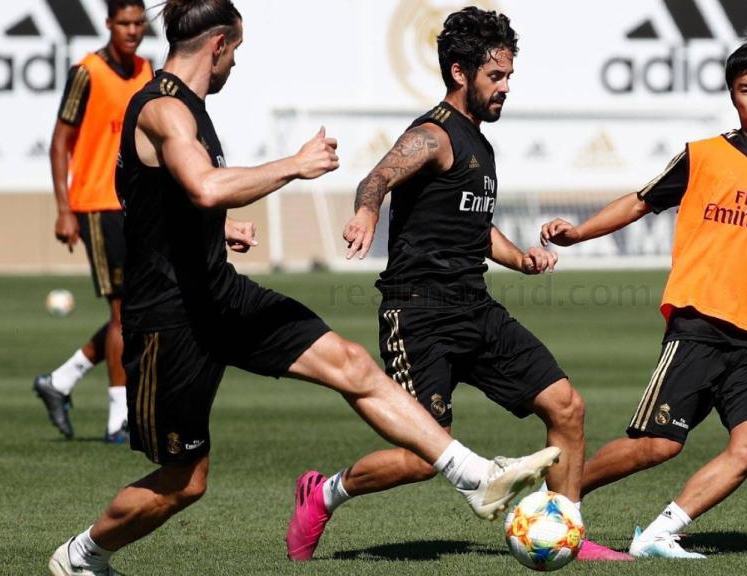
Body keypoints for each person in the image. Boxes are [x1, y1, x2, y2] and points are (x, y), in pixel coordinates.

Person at [47, 2, 559, 574]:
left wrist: (218, 229)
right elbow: (205, 185)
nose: (234, 65)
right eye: (235, 52)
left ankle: (475, 477)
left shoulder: (188, 107)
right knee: (183, 484)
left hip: (220, 295)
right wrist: (294, 164)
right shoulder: (165, 108)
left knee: (351, 364)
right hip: (170, 322)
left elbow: (169, 199)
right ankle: (81, 556)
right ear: (218, 45)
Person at [304, 6, 625, 564]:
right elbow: (376, 177)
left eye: (508, 77)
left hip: (475, 308)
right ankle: (324, 493)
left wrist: (519, 258)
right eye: (495, 77)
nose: (504, 89)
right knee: (422, 458)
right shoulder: (432, 135)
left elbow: (477, 229)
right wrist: (366, 214)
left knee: (567, 407)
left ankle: (569, 528)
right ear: (460, 72)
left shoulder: (482, 144)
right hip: (419, 313)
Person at [541, 26, 747, 559]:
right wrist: (577, 232)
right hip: (700, 324)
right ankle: (562, 495)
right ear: (733, 95)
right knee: (657, 445)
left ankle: (660, 532)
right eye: (745, 88)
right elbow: (640, 201)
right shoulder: (703, 155)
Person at [35, 0, 151, 443]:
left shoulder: (147, 71)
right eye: (124, 23)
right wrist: (64, 209)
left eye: (139, 23)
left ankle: (61, 380)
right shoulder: (87, 72)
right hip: (97, 204)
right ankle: (118, 418)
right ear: (108, 25)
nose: (132, 30)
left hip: (135, 207)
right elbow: (59, 143)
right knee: (123, 310)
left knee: (140, 310)